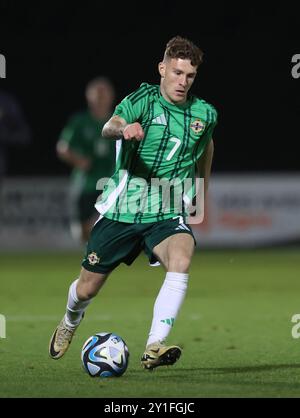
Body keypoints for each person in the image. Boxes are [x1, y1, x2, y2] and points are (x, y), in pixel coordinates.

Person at [49, 36, 217, 370]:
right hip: (123, 209)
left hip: (167, 210)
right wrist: (125, 129)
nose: (182, 81)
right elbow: (110, 126)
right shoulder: (143, 99)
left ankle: (154, 345)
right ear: (162, 68)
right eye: (177, 73)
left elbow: (207, 146)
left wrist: (202, 186)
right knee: (86, 288)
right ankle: (70, 320)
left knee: (182, 258)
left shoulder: (204, 113)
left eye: (190, 76)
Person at [56, 77, 116, 242]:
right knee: (81, 232)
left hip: (112, 182)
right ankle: (92, 256)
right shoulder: (80, 121)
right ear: (89, 97)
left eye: (104, 94)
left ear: (111, 96)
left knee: (110, 223)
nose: (100, 98)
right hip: (86, 182)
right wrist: (78, 160)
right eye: (97, 94)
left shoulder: (119, 121)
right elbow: (63, 148)